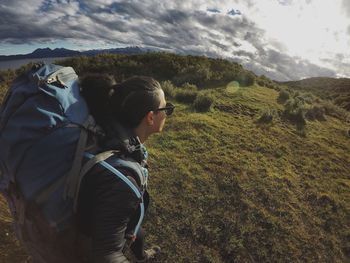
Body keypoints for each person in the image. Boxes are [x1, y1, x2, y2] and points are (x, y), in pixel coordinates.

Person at [77, 74, 175, 263]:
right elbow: (106, 255)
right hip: (92, 237)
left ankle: (141, 256)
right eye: (166, 108)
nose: (168, 113)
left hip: (120, 218)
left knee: (137, 230)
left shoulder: (112, 129)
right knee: (129, 233)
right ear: (150, 117)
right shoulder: (123, 179)